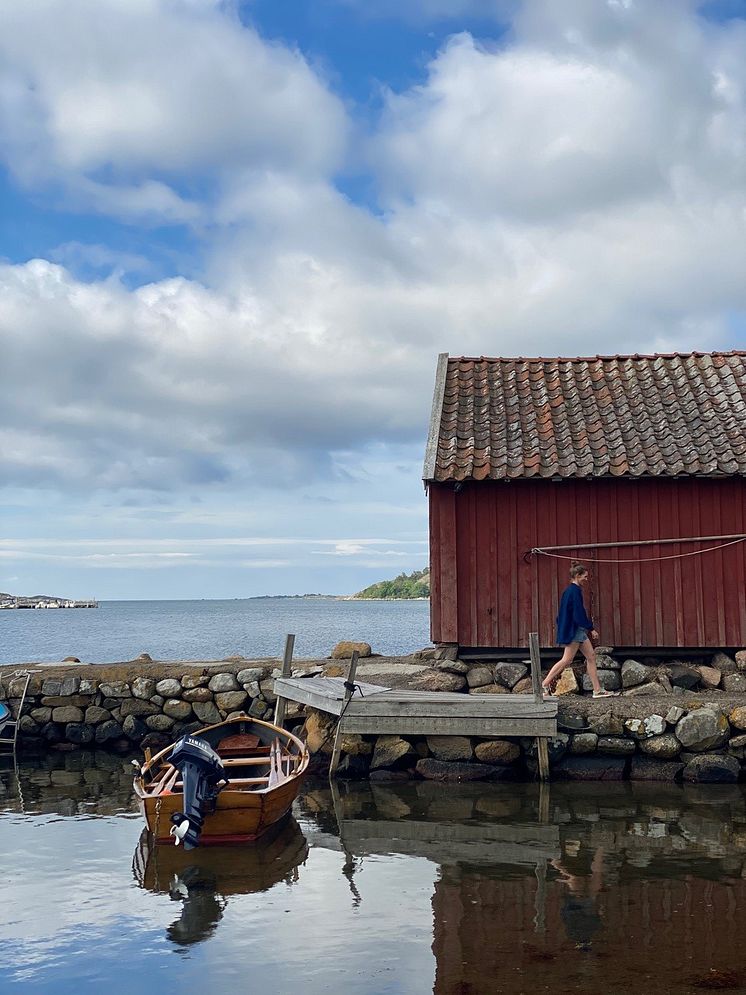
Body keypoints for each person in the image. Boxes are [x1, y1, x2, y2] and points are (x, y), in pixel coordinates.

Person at [542, 563, 614, 699]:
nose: (586, 579)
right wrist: (591, 628)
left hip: (577, 629)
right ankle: (545, 684)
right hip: (575, 630)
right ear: (577, 576)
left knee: (591, 657)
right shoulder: (574, 592)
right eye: (585, 577)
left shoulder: (569, 591)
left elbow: (562, 614)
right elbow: (578, 613)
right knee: (567, 660)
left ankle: (597, 690)